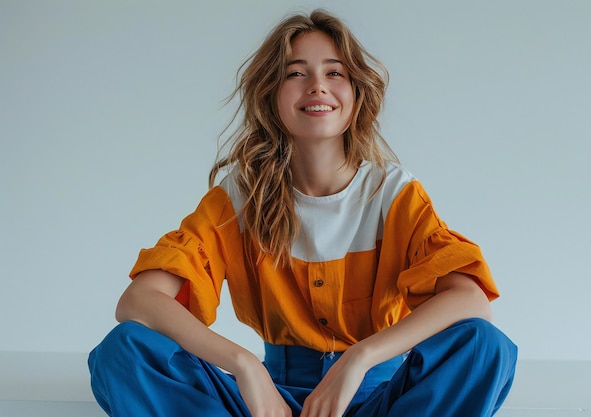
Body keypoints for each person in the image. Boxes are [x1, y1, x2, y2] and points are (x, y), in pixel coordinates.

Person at [88, 9, 517, 417]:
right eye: (296, 73)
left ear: (356, 92)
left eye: (334, 72)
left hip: (380, 398)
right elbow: (138, 302)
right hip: (265, 402)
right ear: (271, 93)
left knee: (484, 347)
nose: (317, 85)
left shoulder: (392, 193)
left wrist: (358, 358)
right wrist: (244, 365)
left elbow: (471, 302)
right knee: (122, 350)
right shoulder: (240, 195)